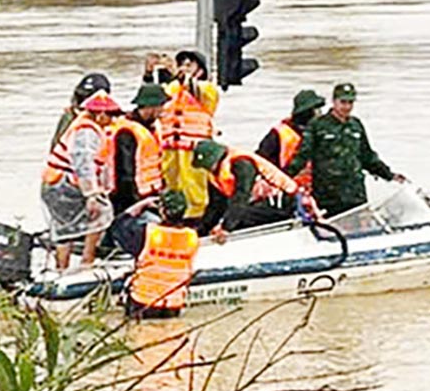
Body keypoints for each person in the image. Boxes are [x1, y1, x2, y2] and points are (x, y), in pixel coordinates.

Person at [291, 83, 409, 217]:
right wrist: (284, 179)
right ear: (334, 101)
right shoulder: (317, 125)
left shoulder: (356, 125)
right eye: (343, 102)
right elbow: (301, 156)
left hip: (355, 194)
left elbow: (367, 157)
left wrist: (389, 175)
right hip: (328, 195)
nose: (347, 107)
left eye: (350, 102)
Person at [40, 88, 119, 269]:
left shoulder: (86, 126)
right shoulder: (86, 132)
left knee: (64, 229)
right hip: (62, 185)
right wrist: (91, 194)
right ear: (100, 114)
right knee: (100, 213)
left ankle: (62, 268)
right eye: (111, 115)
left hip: (56, 183)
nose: (113, 120)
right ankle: (85, 262)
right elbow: (83, 164)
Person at [192, 140, 307, 237]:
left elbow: (241, 196)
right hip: (258, 204)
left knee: (240, 217)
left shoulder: (242, 164)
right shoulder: (215, 175)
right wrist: (202, 231)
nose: (208, 169)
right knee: (233, 214)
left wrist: (226, 227)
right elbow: (215, 206)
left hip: (282, 201)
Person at [103, 84, 166, 254]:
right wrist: (135, 202)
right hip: (127, 196)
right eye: (161, 107)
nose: (163, 111)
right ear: (150, 107)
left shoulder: (150, 128)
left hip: (148, 192)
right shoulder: (127, 132)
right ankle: (113, 251)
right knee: (125, 227)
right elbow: (125, 171)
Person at [159, 50, 221, 219]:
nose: (184, 68)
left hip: (194, 147)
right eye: (182, 65)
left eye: (189, 65)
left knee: (193, 185)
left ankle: (195, 218)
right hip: (170, 145)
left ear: (200, 71)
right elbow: (155, 98)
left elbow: (193, 89)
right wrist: (151, 73)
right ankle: (172, 214)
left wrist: (177, 75)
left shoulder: (208, 89)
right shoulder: (173, 88)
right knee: (171, 183)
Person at [126, 192, 200, 320]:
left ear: (162, 211)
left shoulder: (147, 233)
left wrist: (141, 205)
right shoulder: (192, 237)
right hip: (173, 302)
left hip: (143, 300)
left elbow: (118, 225)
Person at [258, 90, 324, 190]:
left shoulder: (322, 131)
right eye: (317, 109)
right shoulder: (279, 134)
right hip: (287, 189)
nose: (320, 113)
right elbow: (261, 162)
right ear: (307, 111)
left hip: (316, 189)